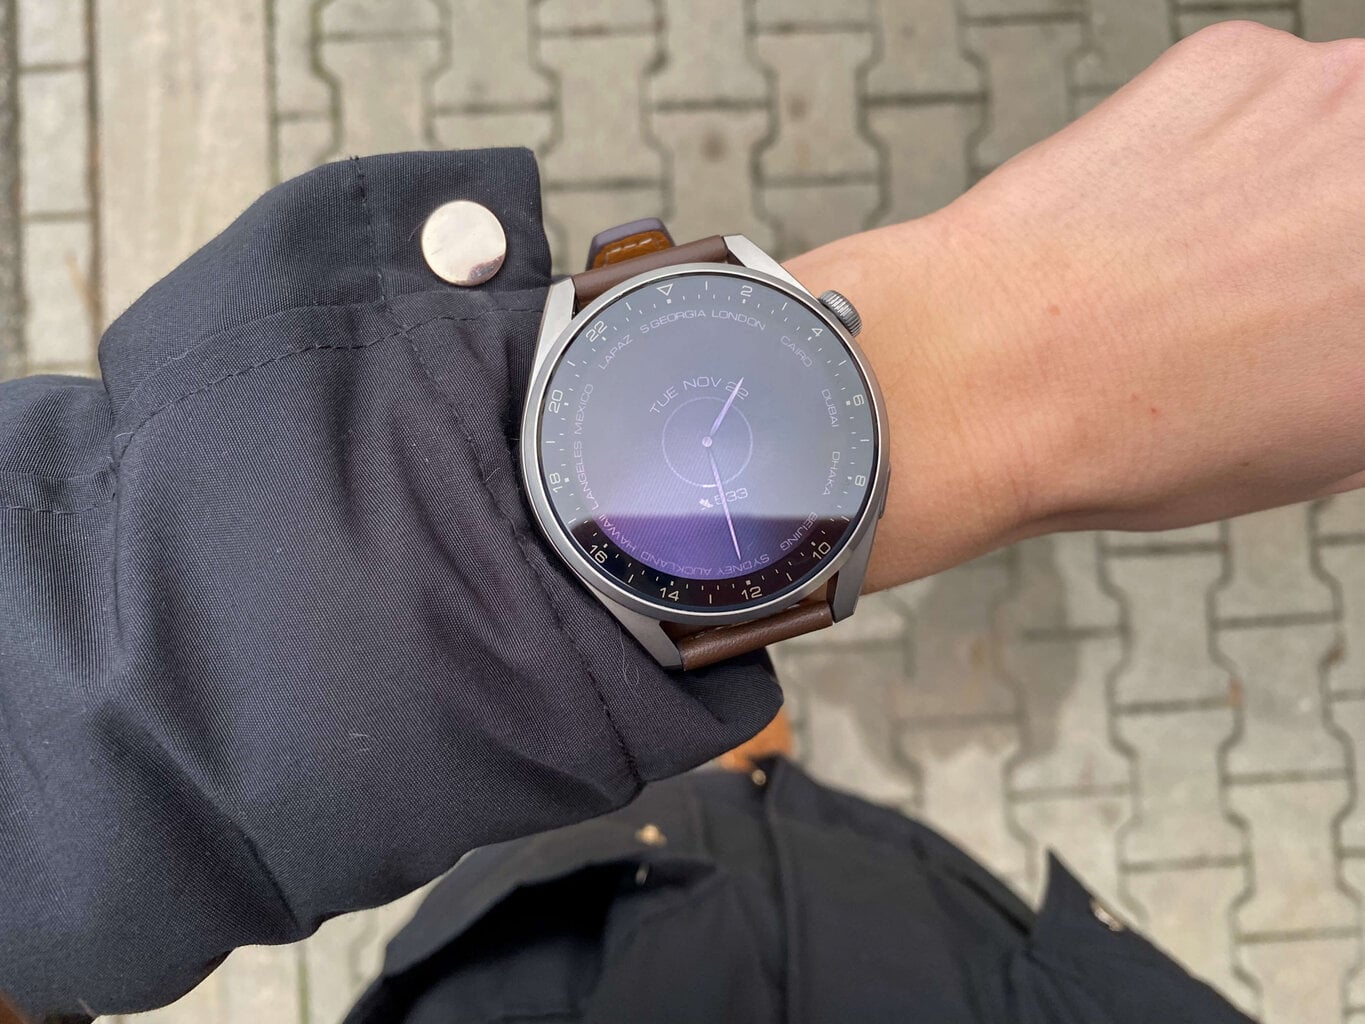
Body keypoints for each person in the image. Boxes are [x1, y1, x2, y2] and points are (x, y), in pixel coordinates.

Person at [1, 20, 1362, 1022]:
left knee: (671, 826)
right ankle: (724, 751)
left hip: (559, 956)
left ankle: (723, 772)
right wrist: (990, 351)